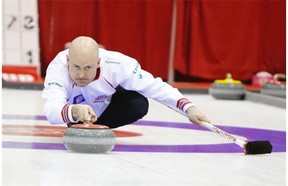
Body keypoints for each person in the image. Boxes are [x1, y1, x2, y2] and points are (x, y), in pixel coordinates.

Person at [42, 36, 210, 128]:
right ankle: (79, 124)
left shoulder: (118, 64)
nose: (80, 74)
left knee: (138, 103)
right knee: (68, 111)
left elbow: (154, 87)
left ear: (99, 62)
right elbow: (52, 111)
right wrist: (76, 111)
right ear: (68, 61)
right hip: (75, 112)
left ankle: (97, 127)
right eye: (76, 67)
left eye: (87, 68)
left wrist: (189, 108)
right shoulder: (58, 68)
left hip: (106, 105)